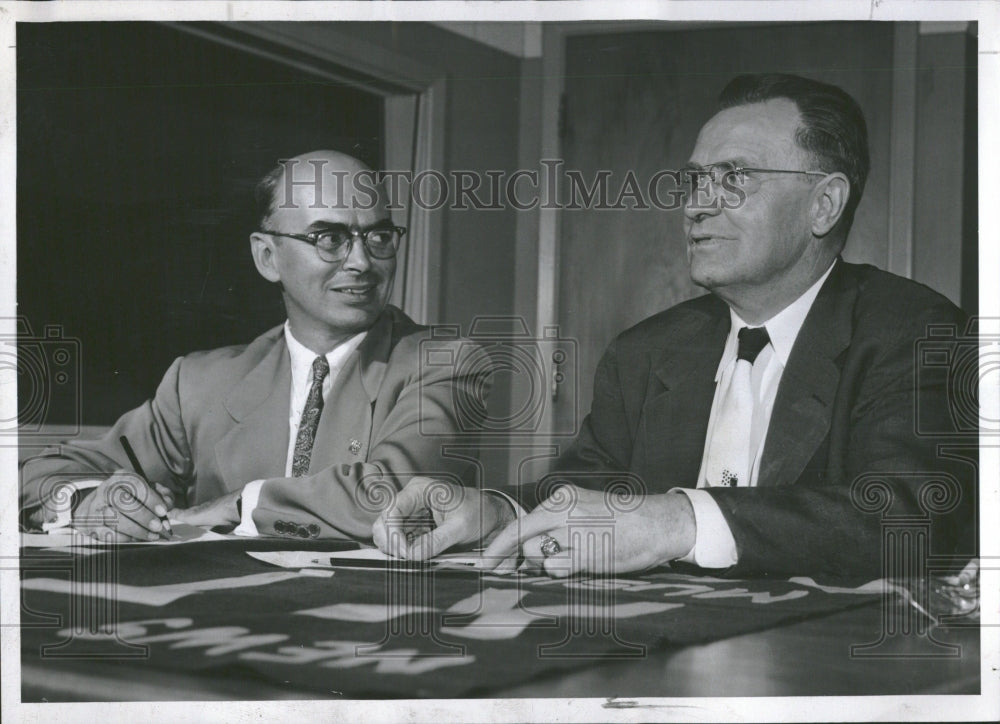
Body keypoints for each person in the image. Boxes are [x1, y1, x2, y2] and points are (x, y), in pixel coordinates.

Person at [373, 74, 975, 581]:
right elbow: (583, 491)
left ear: (825, 204)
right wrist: (498, 511)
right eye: (693, 180)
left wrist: (678, 520)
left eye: (734, 178)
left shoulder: (915, 331)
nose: (696, 204)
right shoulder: (648, 351)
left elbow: (912, 516)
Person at [20, 150, 492, 542]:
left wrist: (235, 506)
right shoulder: (198, 382)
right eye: (330, 238)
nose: (362, 262)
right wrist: (88, 502)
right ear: (267, 257)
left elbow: (392, 497)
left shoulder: (446, 363)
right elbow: (41, 473)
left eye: (379, 237)